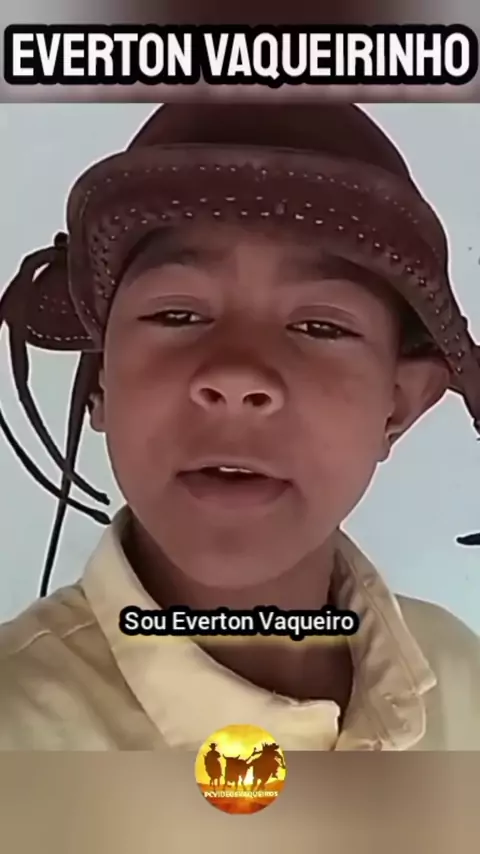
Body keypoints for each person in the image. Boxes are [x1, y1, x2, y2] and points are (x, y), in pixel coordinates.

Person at [0, 101, 479, 752]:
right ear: (102, 385)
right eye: (176, 315)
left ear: (397, 406)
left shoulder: (462, 681)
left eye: (320, 326)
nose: (237, 377)